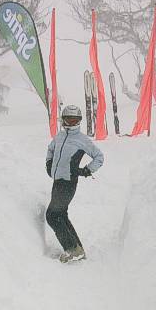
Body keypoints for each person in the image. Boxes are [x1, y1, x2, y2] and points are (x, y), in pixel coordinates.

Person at [45, 105, 104, 263]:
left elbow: (99, 157)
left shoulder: (82, 140)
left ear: (79, 121)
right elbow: (50, 150)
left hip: (69, 183)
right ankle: (77, 249)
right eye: (69, 119)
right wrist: (49, 164)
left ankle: (72, 249)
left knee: (52, 215)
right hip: (57, 181)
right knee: (61, 215)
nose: (72, 122)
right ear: (63, 120)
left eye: (75, 120)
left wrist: (86, 170)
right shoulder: (59, 136)